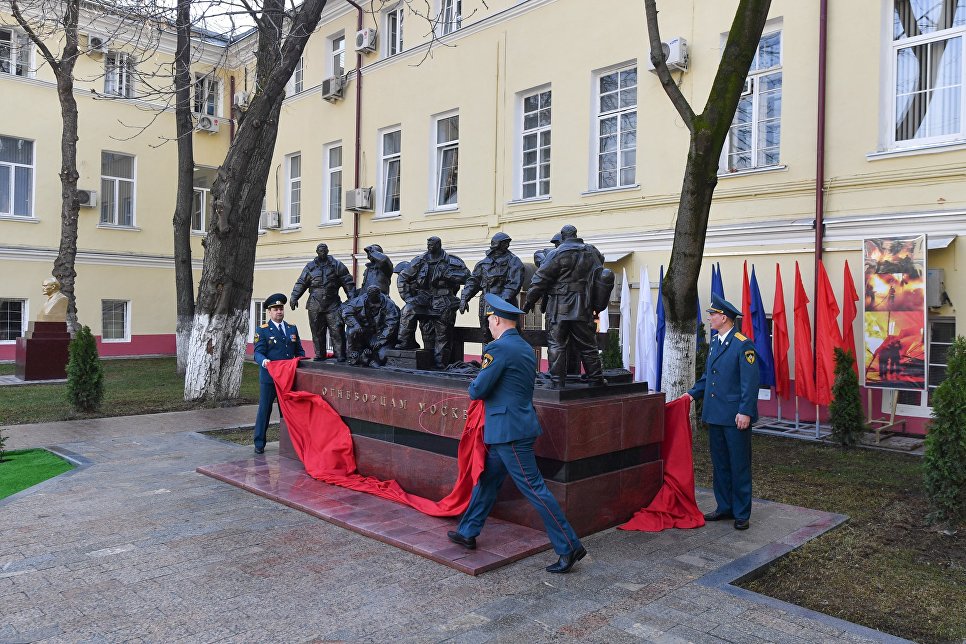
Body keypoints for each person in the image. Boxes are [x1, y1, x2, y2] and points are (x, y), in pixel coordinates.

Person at [447, 294, 587, 574]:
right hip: (511, 428)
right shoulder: (523, 347)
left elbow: (479, 390)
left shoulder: (498, 349)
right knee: (488, 479)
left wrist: (475, 382)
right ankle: (468, 531)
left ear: (496, 320)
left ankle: (570, 546)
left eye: (489, 320)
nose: (488, 325)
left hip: (509, 432)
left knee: (534, 488)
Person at [682, 293, 759, 530]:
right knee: (720, 464)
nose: (710, 318)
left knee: (739, 464)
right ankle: (724, 506)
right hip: (716, 415)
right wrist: (691, 394)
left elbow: (750, 381)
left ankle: (741, 512)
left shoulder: (742, 344)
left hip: (735, 417)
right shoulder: (716, 342)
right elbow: (709, 378)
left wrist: (745, 411)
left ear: (724, 317)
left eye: (713, 314)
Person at [523, 225, 606, 388]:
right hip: (583, 306)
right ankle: (596, 380)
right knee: (588, 346)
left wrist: (529, 301)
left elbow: (540, 279)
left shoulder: (557, 253)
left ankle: (557, 382)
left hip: (559, 307)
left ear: (562, 236)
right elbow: (599, 273)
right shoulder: (591, 252)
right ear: (575, 234)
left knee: (556, 344)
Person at [397, 236, 470, 368]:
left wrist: (451, 277)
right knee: (408, 311)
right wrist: (408, 298)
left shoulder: (452, 261)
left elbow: (468, 279)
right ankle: (404, 344)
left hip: (444, 301)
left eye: (432, 244)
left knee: (443, 336)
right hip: (424, 300)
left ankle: (440, 365)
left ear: (439, 245)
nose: (429, 246)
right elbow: (403, 277)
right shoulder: (420, 260)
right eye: (428, 244)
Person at [252, 293, 305, 454]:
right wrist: (264, 361)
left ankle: (290, 444)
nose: (279, 312)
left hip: (287, 379)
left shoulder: (292, 328)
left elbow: (299, 351)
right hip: (270, 378)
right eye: (275, 309)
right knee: (265, 410)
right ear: (269, 312)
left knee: (288, 412)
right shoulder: (263, 330)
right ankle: (259, 443)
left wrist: (301, 362)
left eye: (281, 308)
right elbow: (258, 353)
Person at [290, 243, 356, 361]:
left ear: (327, 251)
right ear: (317, 252)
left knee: (337, 330)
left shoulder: (337, 265)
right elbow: (301, 283)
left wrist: (352, 299)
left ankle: (340, 355)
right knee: (317, 331)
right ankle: (320, 355)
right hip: (315, 304)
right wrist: (294, 297)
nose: (323, 253)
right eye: (320, 251)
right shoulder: (310, 267)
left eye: (324, 251)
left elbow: (347, 282)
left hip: (333, 304)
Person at [459, 232, 525, 343]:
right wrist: (464, 298)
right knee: (486, 334)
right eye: (505, 242)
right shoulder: (483, 263)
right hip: (486, 303)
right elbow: (473, 282)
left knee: (507, 336)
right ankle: (489, 358)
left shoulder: (514, 261)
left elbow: (513, 284)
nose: (507, 245)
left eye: (508, 243)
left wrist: (500, 303)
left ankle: (507, 359)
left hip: (505, 305)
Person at [341, 285, 401, 366]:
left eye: (376, 303)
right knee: (352, 330)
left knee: (382, 357)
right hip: (365, 333)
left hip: (382, 336)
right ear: (367, 297)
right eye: (371, 303)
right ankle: (354, 356)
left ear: (379, 295)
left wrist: (381, 340)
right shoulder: (360, 301)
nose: (374, 306)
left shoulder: (389, 304)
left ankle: (368, 359)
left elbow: (391, 324)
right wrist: (356, 325)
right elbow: (346, 312)